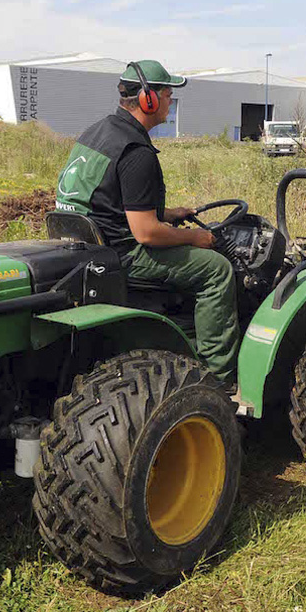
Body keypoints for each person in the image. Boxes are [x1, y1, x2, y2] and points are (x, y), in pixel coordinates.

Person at [53, 60, 240, 383]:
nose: (170, 101)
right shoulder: (137, 152)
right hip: (122, 254)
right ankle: (217, 377)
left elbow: (106, 199)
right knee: (217, 270)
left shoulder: (97, 133)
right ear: (147, 100)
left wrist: (168, 214)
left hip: (88, 248)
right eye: (168, 94)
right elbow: (146, 233)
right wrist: (195, 238)